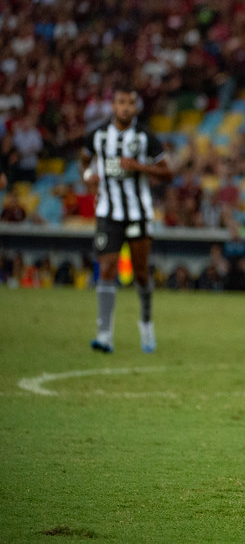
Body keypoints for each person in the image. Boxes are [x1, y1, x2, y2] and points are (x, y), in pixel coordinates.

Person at [81, 87, 172, 353]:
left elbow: (168, 172)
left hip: (138, 212)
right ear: (113, 105)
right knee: (107, 268)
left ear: (135, 107)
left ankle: (146, 326)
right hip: (108, 212)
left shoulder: (145, 137)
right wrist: (89, 178)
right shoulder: (97, 135)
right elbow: (84, 161)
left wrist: (139, 167)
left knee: (141, 273)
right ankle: (105, 334)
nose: (125, 108)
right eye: (121, 102)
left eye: (130, 103)